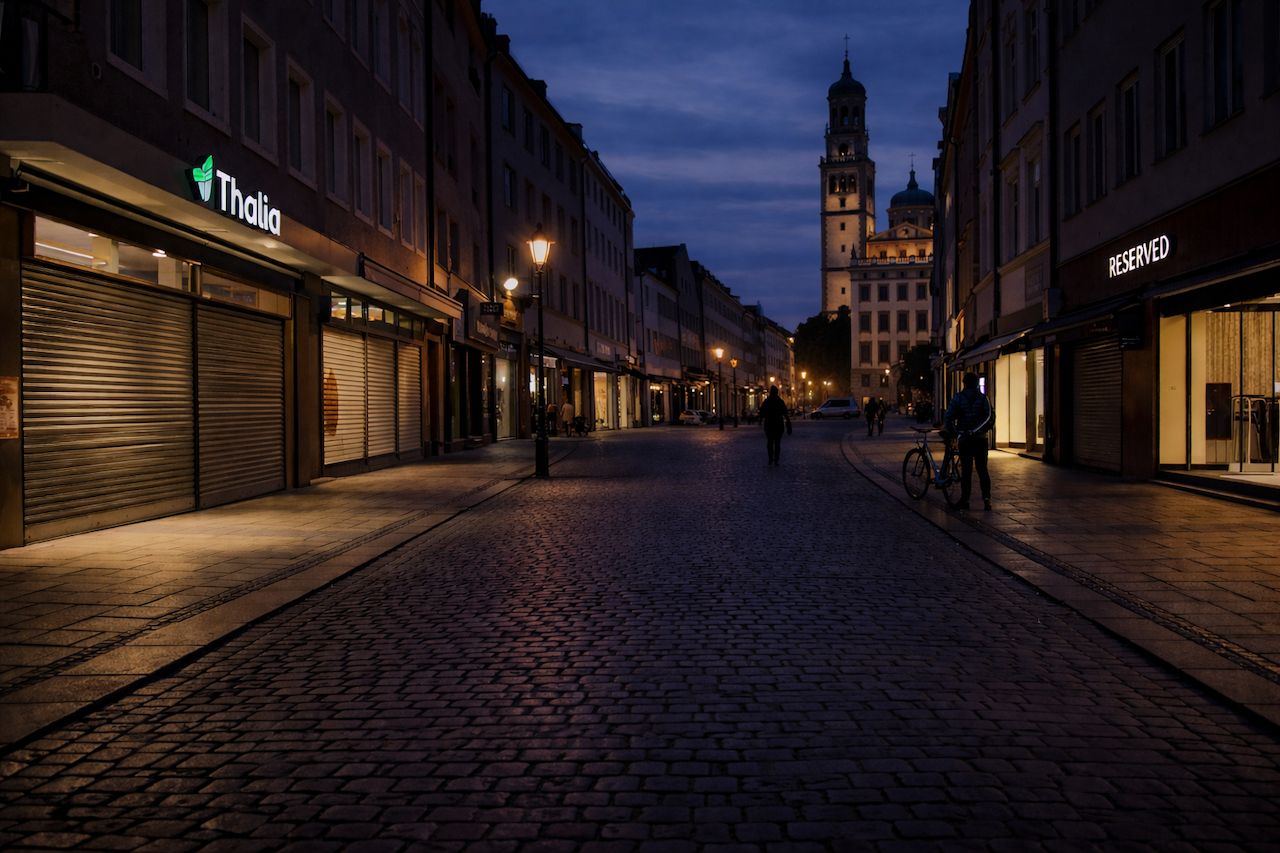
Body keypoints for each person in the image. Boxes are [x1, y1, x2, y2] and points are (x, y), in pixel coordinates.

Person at [943, 372, 994, 511]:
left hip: (964, 439)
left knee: (966, 471)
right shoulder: (984, 398)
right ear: (977, 384)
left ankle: (965, 500)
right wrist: (979, 429)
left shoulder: (958, 398)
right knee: (982, 470)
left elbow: (948, 417)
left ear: (964, 383)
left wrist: (953, 432)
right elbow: (989, 417)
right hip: (980, 439)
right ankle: (987, 499)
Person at [758, 384, 791, 466]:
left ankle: (770, 459)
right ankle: (776, 459)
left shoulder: (766, 402)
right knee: (777, 443)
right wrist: (788, 425)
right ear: (777, 393)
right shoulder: (780, 402)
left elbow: (761, 413)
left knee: (769, 442)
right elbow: (785, 414)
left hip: (769, 425)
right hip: (778, 425)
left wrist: (760, 420)